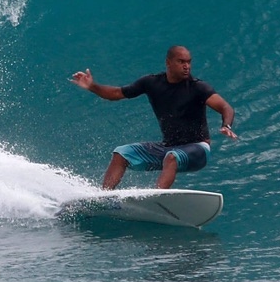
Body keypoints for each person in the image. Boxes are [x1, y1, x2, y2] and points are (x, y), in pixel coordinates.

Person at [70, 45, 237, 190]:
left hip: (197, 149)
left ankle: (156, 197)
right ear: (168, 62)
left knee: (172, 156)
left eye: (189, 62)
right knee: (121, 153)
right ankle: (104, 197)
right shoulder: (151, 83)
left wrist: (226, 125)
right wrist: (92, 86)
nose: (187, 66)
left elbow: (225, 107)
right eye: (181, 62)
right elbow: (116, 93)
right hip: (167, 148)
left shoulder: (198, 87)